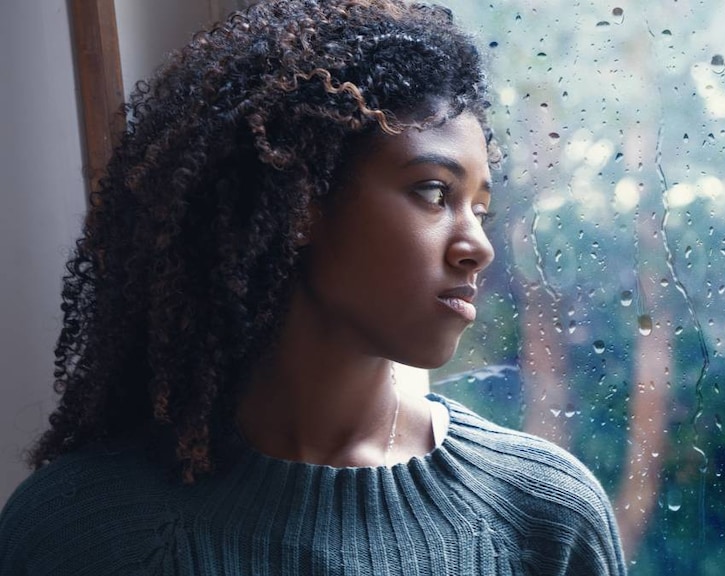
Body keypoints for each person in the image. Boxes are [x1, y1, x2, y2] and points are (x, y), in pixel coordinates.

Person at [0, 0, 627, 573]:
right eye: (435, 194)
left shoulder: (547, 520)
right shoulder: (82, 533)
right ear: (300, 204)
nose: (478, 247)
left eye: (480, 209)